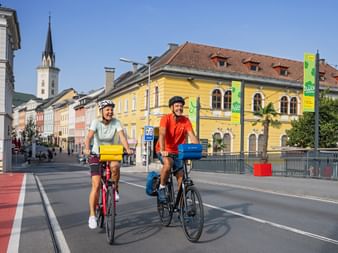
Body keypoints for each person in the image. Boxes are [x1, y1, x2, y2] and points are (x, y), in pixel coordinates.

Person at [84, 99, 133, 229]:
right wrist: (87, 148)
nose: (110, 112)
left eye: (111, 109)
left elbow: (122, 137)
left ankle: (114, 189)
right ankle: (92, 215)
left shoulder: (116, 122)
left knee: (115, 166)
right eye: (107, 109)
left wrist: (127, 148)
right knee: (96, 185)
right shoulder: (96, 122)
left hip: (111, 152)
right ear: (102, 111)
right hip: (96, 154)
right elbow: (89, 137)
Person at [155, 96, 199, 203]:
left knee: (181, 176)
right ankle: (161, 187)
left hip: (179, 152)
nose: (179, 108)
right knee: (168, 164)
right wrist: (163, 149)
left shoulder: (186, 120)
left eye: (181, 106)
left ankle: (181, 205)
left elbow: (192, 136)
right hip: (164, 149)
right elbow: (162, 134)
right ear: (172, 108)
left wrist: (198, 148)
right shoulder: (166, 118)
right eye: (177, 106)